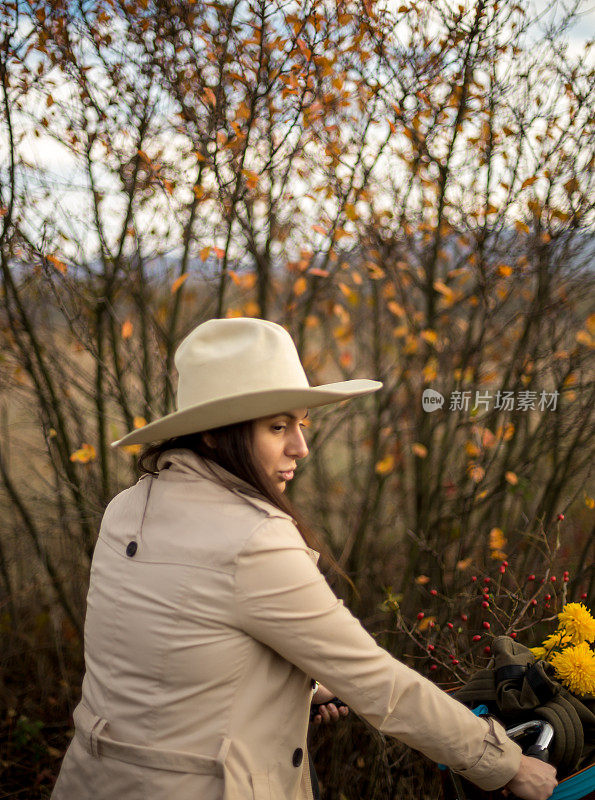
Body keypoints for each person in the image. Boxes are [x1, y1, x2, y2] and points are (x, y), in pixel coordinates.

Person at [51, 317, 558, 800]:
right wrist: (505, 764)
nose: (301, 446)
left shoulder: (127, 507)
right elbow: (379, 683)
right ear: (213, 433)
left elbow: (167, 662)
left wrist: (296, 689)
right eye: (277, 427)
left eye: (300, 424)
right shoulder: (255, 538)